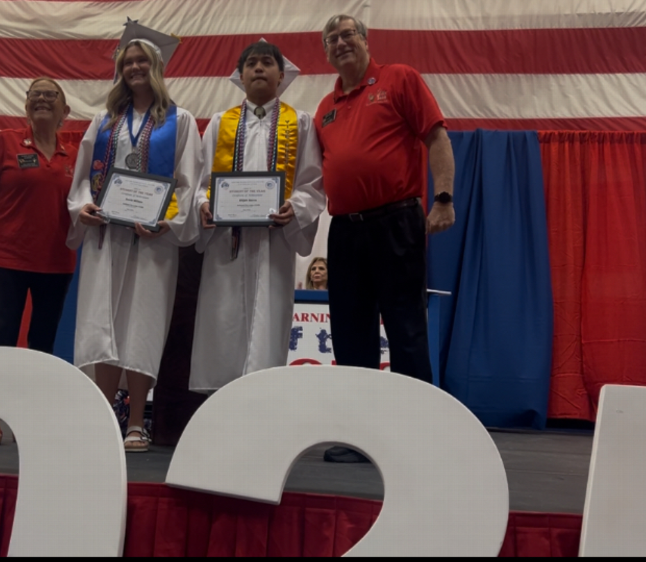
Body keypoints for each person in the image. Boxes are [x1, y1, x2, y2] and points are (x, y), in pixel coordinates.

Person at [314, 15, 456, 463]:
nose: (340, 43)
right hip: (345, 231)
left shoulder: (398, 79)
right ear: (326, 52)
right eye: (331, 39)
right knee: (350, 335)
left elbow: (436, 137)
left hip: (396, 221)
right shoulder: (324, 108)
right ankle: (360, 436)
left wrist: (444, 198)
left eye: (347, 35)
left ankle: (417, 432)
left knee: (406, 328)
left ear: (365, 40)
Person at [67, 21, 203, 453]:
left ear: (157, 67)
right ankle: (105, 413)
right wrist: (82, 206)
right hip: (106, 237)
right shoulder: (103, 121)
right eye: (128, 62)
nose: (135, 67)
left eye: (143, 60)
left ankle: (137, 422)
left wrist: (169, 220)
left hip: (153, 239)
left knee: (142, 325)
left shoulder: (179, 121)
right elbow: (83, 178)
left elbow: (189, 181)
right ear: (121, 69)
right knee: (103, 322)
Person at [189, 41, 325, 394]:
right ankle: (221, 400)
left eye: (267, 63)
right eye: (251, 63)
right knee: (223, 318)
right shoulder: (221, 123)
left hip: (274, 242)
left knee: (269, 315)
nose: (259, 68)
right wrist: (204, 203)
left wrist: (294, 207)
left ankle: (263, 399)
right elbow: (201, 182)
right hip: (226, 244)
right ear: (241, 75)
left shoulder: (300, 123)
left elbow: (312, 182)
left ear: (282, 75)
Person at [0, 77, 78, 445]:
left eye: (50, 95)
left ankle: (31, 411)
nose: (42, 99)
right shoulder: (6, 142)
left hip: (57, 262)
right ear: (26, 104)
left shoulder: (75, 153)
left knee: (42, 340)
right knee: (3, 336)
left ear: (65, 111)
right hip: (8, 257)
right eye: (35, 94)